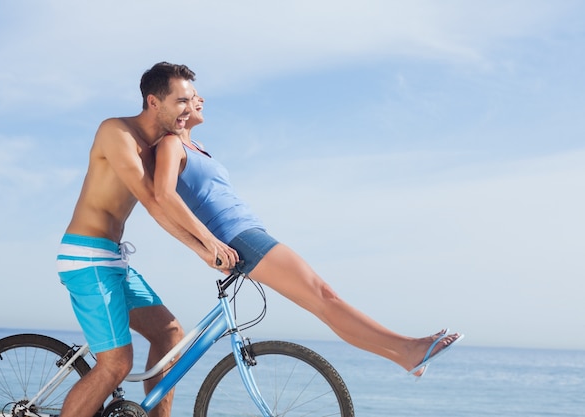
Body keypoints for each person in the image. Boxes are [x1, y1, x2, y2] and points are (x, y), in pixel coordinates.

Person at [154, 89, 464, 379]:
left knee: (323, 302)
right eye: (190, 97)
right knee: (324, 296)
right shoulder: (171, 144)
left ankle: (404, 356)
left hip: (248, 232)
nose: (200, 100)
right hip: (236, 237)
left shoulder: (200, 148)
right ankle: (409, 348)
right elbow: (164, 196)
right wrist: (207, 245)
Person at [55, 63, 239, 417]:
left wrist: (218, 244)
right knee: (115, 364)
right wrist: (206, 247)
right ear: (154, 102)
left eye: (193, 100)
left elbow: (177, 195)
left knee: (170, 337)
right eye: (181, 100)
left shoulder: (160, 147)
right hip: (86, 257)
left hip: (114, 260)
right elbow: (156, 203)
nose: (190, 107)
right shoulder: (116, 131)